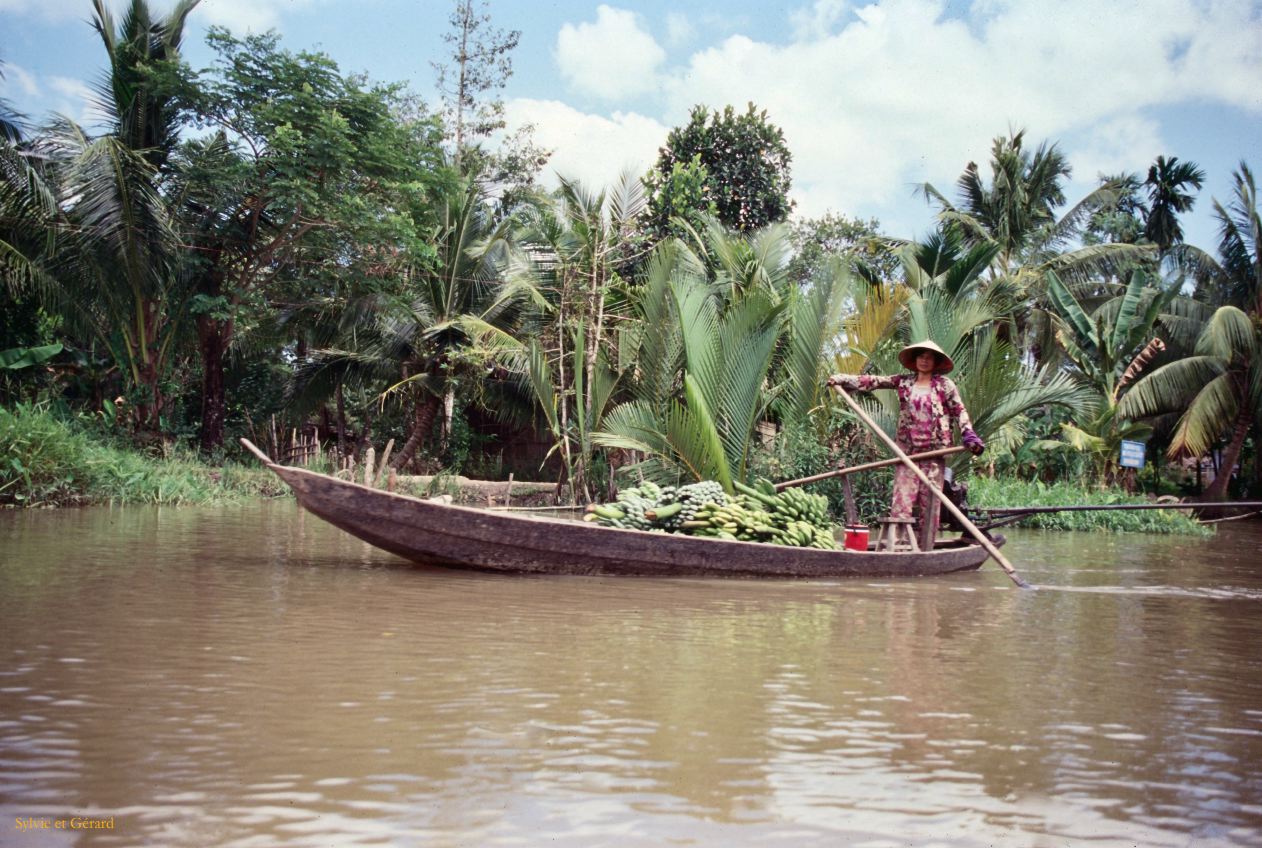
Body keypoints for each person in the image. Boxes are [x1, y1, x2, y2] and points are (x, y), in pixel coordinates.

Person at [826, 340, 984, 548]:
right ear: (915, 360)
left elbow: (959, 411)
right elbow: (873, 381)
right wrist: (842, 379)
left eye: (929, 357)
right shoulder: (904, 382)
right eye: (921, 356)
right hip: (907, 454)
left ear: (935, 362)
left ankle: (925, 550)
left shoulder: (945, 385)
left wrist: (969, 435)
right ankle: (897, 548)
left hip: (934, 455)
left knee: (930, 506)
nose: (924, 361)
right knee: (901, 504)